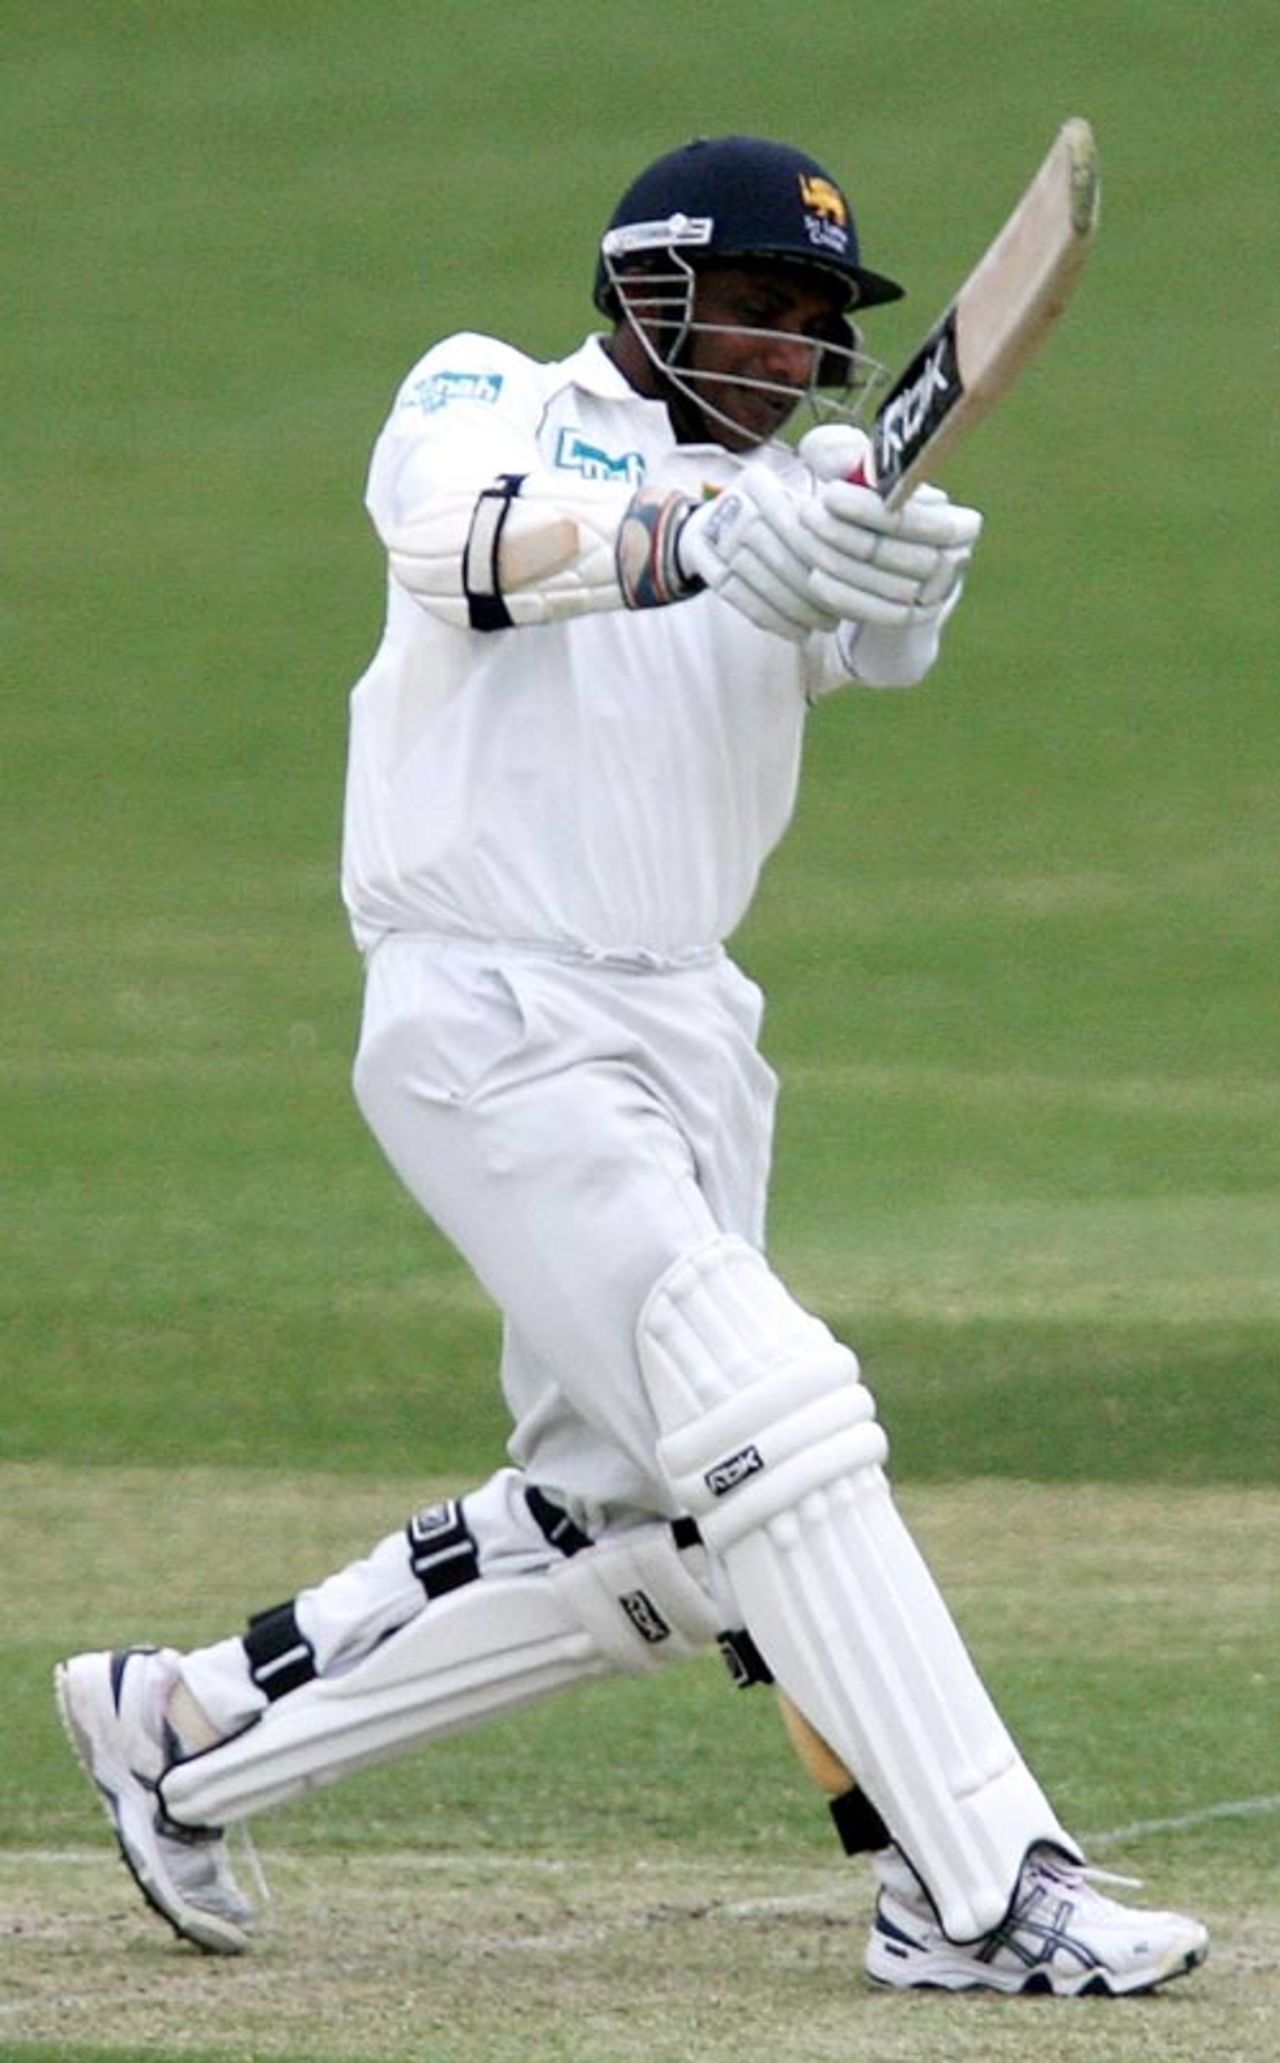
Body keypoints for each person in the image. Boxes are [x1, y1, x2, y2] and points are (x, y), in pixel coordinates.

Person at [56, 135, 1207, 1997]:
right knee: (783, 1413)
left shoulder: (800, 482)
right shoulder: (487, 396)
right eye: (758, 308)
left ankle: (186, 1729)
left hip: (690, 1023)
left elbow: (852, 645)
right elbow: (457, 552)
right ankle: (980, 1885)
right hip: (489, 1008)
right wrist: (695, 535)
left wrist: (887, 571)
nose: (788, 352)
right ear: (654, 289)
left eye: (819, 325)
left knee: (643, 1526)